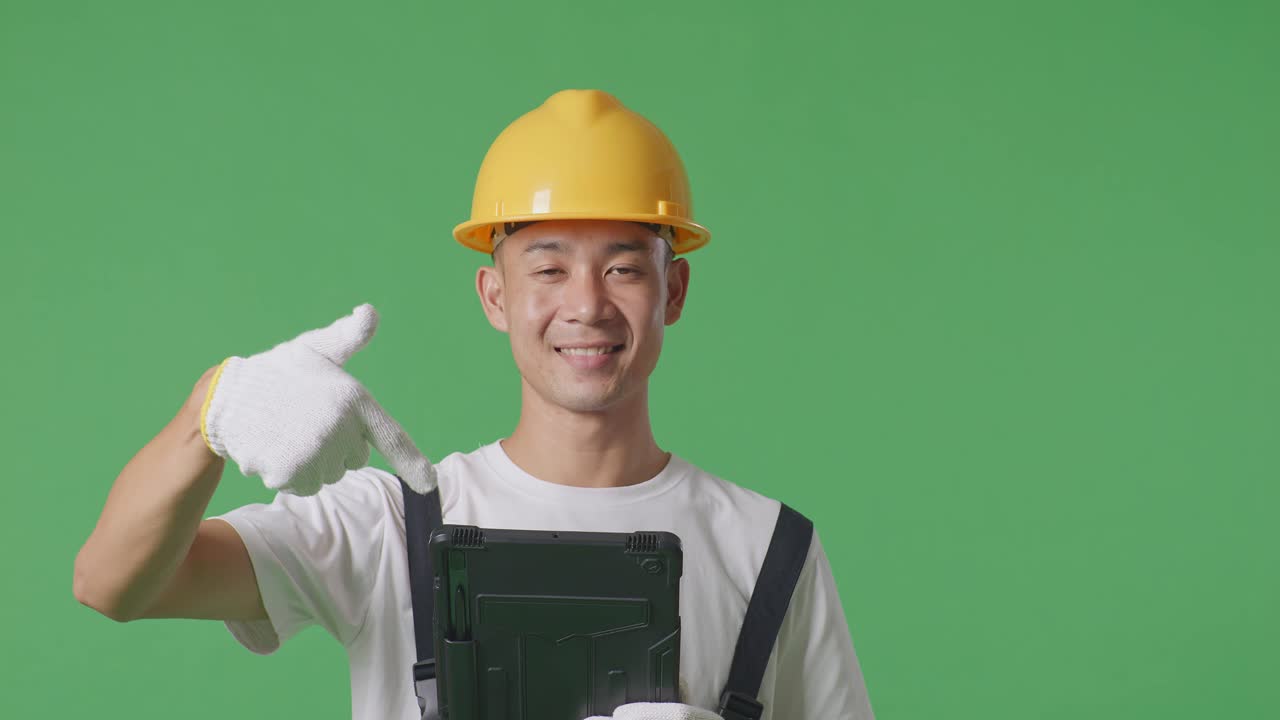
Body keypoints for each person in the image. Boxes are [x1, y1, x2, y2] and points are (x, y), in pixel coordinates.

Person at [73, 89, 875, 720]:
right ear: (495, 295)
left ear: (675, 289)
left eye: (625, 268)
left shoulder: (771, 549)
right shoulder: (390, 526)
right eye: (549, 269)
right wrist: (207, 415)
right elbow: (113, 584)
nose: (587, 306)